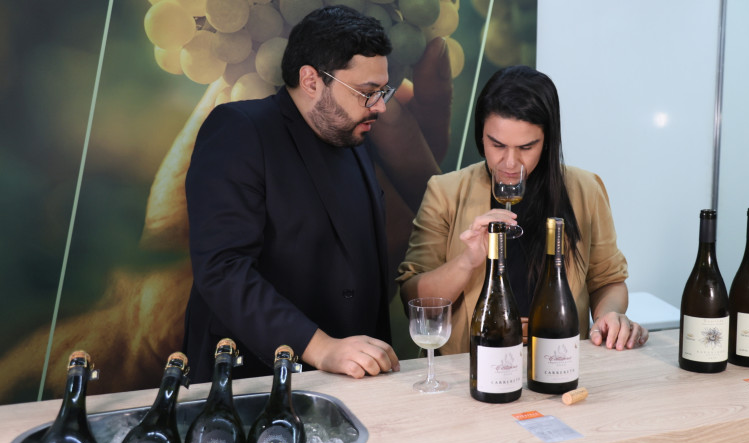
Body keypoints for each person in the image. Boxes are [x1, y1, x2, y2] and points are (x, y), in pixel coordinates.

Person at [183, 6, 403, 383]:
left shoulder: (352, 134)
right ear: (311, 80)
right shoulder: (239, 130)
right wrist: (321, 347)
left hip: (351, 380)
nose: (380, 106)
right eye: (367, 93)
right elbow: (223, 270)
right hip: (251, 382)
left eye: (383, 92)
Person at [397, 65, 649, 356]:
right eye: (497, 145)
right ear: (481, 135)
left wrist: (609, 316)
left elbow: (608, 281)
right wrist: (467, 261)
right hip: (471, 364)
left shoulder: (585, 189)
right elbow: (413, 299)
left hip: (559, 359)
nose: (509, 163)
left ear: (548, 140)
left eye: (526, 147)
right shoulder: (445, 192)